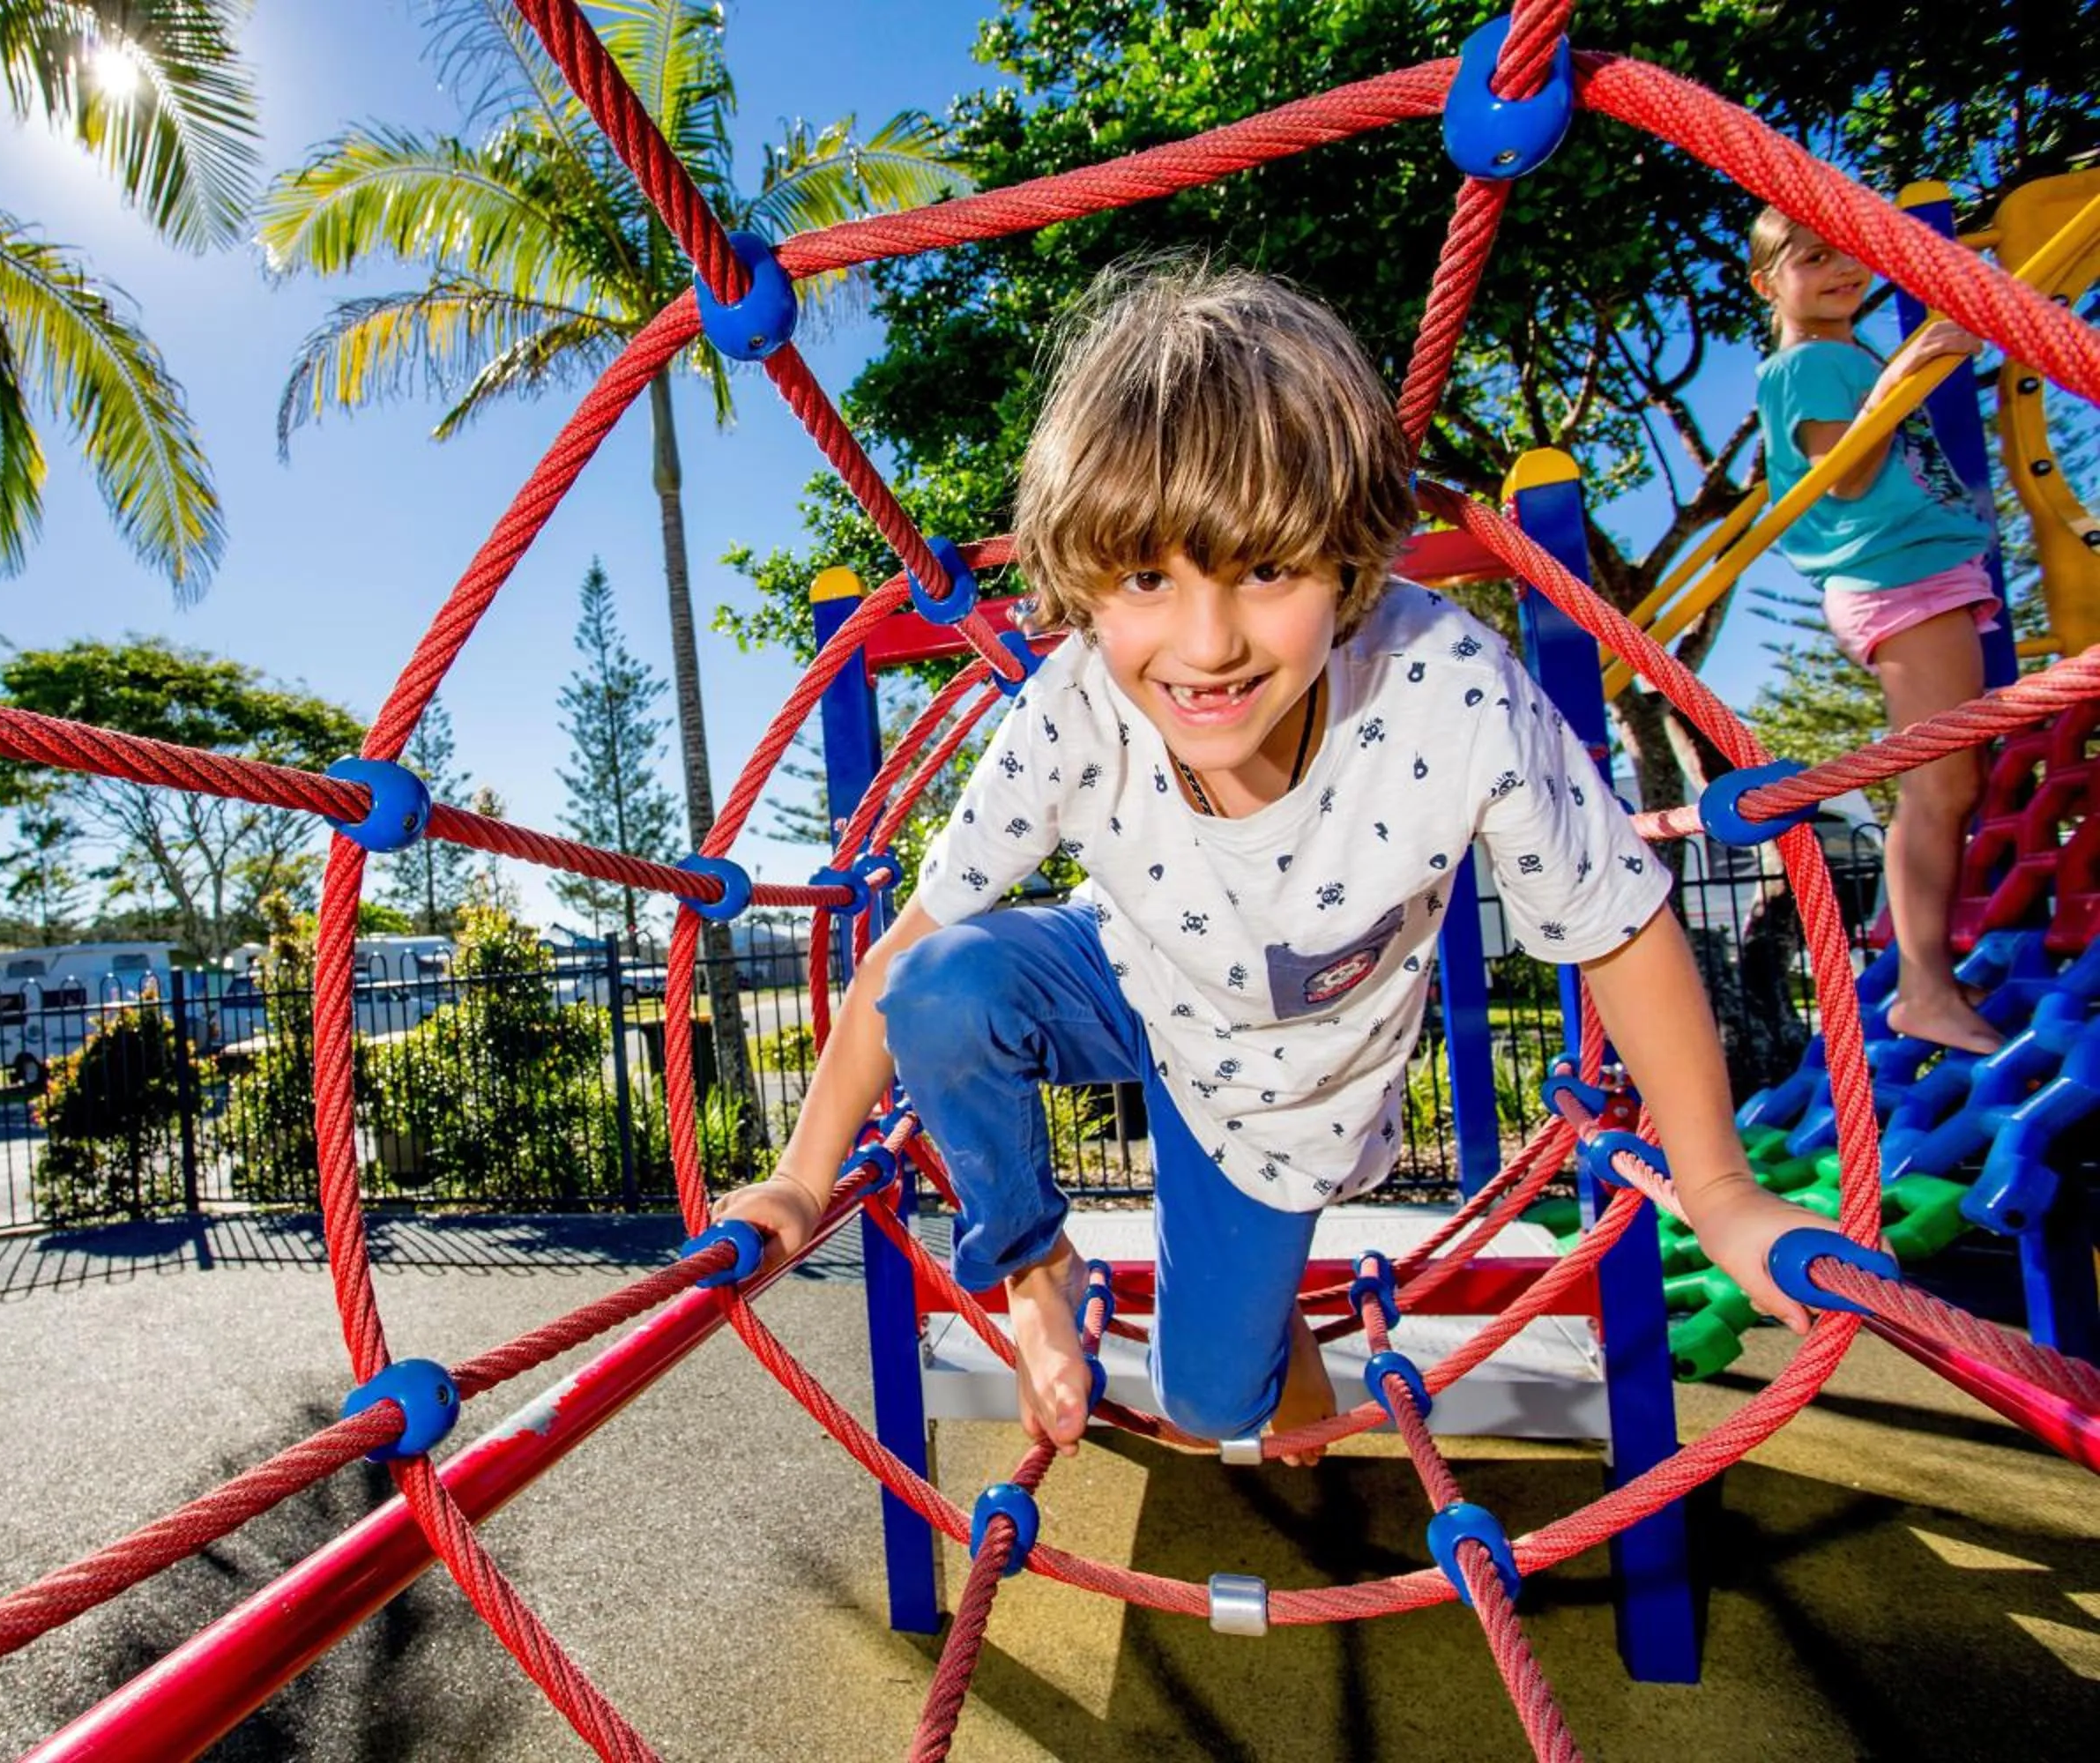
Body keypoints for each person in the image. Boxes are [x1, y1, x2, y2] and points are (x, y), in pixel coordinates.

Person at [715, 261, 1833, 1461]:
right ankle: (1034, 1262)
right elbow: (910, 949)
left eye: (1266, 569)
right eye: (1147, 578)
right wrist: (798, 1176)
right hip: (1128, 969)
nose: (1207, 646)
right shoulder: (1074, 704)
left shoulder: (1444, 688)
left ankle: (1259, 1350)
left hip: (1275, 1090)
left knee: (1210, 1413)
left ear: (1350, 561)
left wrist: (1716, 1190)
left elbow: (1617, 923)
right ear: (1085, 586)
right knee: (943, 988)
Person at [1750, 208, 2004, 1055]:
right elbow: (1849, 472)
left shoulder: (1842, 357)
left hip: (1917, 571)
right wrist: (1915, 365)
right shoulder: (1813, 363)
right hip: (1899, 573)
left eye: (1844, 253)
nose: (1837, 270)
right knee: (1938, 787)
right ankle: (1925, 987)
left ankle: (1929, 976)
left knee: (1950, 783)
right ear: (1767, 283)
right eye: (1810, 258)